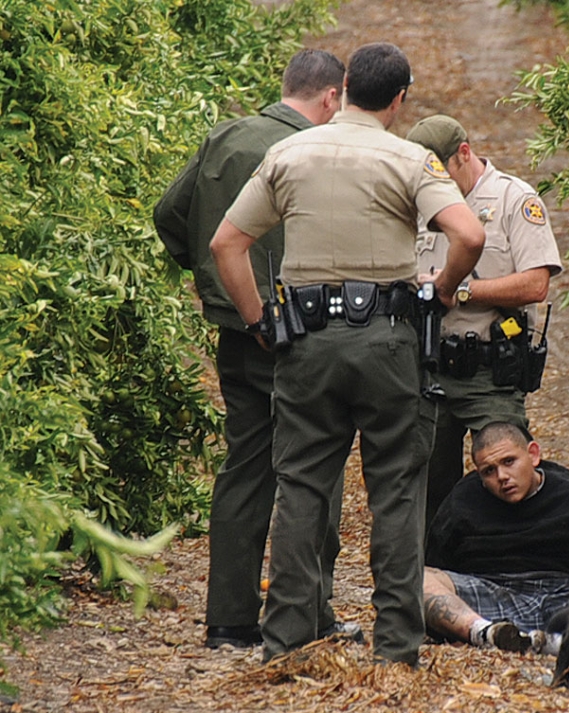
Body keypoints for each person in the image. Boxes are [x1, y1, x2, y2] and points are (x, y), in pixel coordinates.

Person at [209, 42, 485, 667]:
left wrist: (259, 321)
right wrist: (441, 292)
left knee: (301, 485)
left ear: (345, 86)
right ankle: (395, 650)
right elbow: (469, 234)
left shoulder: (288, 152)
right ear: (398, 99)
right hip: (388, 339)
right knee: (395, 490)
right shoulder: (411, 158)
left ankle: (285, 644)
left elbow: (228, 242)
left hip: (306, 340)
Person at [152, 49, 350, 650]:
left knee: (245, 466)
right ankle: (310, 612)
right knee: (315, 465)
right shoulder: (314, 151)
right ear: (331, 97)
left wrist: (217, 288)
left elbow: (169, 215)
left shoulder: (226, 136)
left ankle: (228, 619)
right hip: (304, 330)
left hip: (237, 330)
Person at [405, 115, 563, 529]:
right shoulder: (421, 205)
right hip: (429, 364)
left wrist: (458, 290)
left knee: (510, 477)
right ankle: (432, 580)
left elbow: (536, 284)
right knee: (426, 488)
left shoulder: (514, 199)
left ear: (464, 154)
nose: (434, 185)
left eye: (440, 173)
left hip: (489, 369)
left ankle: (516, 567)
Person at [423, 421, 569, 655]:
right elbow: (437, 563)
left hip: (566, 595)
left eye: (509, 462)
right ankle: (484, 633)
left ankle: (567, 644)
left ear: (533, 454)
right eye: (489, 471)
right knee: (415, 579)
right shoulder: (463, 501)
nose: (502, 476)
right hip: (493, 593)